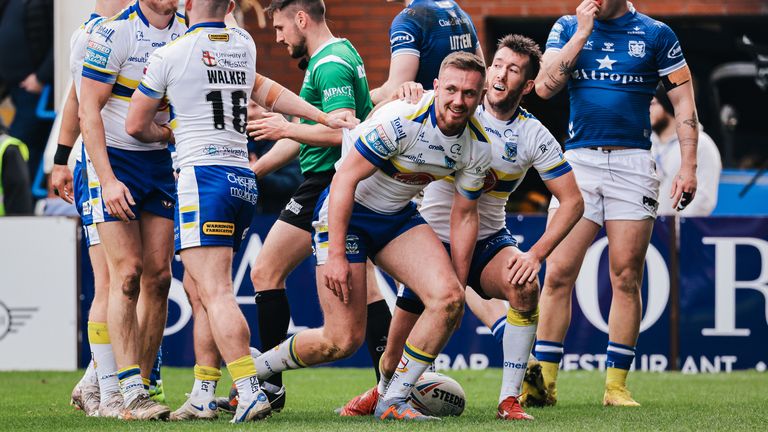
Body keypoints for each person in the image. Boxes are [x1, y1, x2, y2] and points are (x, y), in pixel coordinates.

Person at [339, 34, 584, 421]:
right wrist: (401, 94)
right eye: (498, 65)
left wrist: (536, 255)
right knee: (391, 357)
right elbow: (377, 122)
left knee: (524, 286)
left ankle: (509, 400)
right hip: (425, 238)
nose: (502, 75)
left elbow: (573, 201)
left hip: (487, 242)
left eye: (514, 69)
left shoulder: (532, 134)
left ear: (529, 85)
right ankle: (385, 390)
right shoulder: (454, 104)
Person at [249, 51, 491, 421]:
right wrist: (336, 254)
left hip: (397, 219)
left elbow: (463, 217)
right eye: (453, 90)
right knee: (341, 340)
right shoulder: (402, 119)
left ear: (482, 94)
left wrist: (459, 284)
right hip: (348, 213)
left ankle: (393, 400)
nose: (459, 101)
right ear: (437, 87)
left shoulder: (478, 145)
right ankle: (252, 370)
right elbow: (344, 179)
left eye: (470, 94)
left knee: (447, 298)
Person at [527, 0, 698, 407]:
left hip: (633, 162)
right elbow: (544, 86)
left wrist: (689, 165)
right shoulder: (568, 26)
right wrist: (583, 32)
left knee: (625, 277)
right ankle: (544, 382)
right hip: (580, 162)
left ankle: (616, 387)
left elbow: (685, 103)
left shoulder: (657, 34)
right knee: (558, 273)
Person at [244, 0, 391, 399]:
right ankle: (389, 386)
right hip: (333, 179)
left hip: (327, 182)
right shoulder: (342, 52)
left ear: (302, 19)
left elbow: (342, 132)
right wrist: (254, 170)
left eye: (279, 28)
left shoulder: (328, 65)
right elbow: (306, 130)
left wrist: (284, 129)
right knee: (371, 289)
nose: (278, 38)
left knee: (265, 272)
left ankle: (268, 384)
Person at [79, 0, 187, 420]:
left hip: (157, 161)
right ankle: (126, 392)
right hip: (113, 161)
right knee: (126, 275)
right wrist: (106, 179)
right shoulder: (113, 33)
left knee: (159, 278)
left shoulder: (187, 32)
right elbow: (88, 110)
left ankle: (141, 387)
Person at [51, 0, 133, 418]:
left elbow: (73, 97)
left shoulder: (134, 27)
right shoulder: (95, 35)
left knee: (133, 281)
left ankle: (94, 381)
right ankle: (106, 391)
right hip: (101, 169)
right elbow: (79, 103)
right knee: (111, 280)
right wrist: (64, 159)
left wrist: (60, 158)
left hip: (137, 166)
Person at [369, 0, 483, 105]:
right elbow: (482, 77)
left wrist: (369, 96)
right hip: (462, 115)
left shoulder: (408, 19)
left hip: (427, 119)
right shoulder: (460, 13)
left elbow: (397, 91)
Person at [0, 0, 54, 176]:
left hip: (37, 91)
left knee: (20, 144)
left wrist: (41, 77)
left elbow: (60, 41)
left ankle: (27, 199)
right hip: (13, 88)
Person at [650, 87, 721, 216]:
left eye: (652, 104)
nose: (647, 110)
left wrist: (679, 226)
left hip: (680, 231)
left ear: (668, 105)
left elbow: (704, 197)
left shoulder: (702, 144)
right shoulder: (645, 143)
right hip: (645, 229)